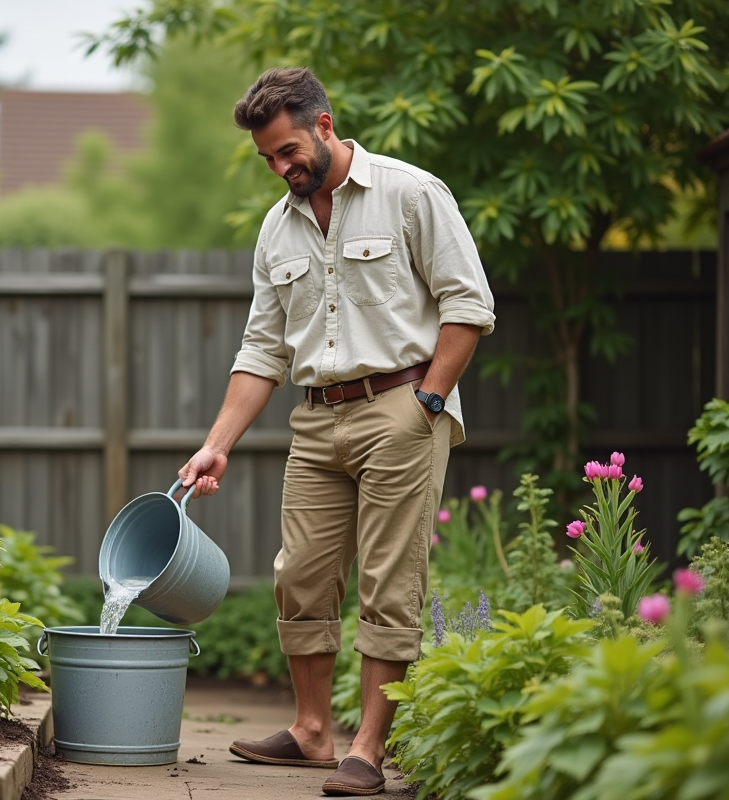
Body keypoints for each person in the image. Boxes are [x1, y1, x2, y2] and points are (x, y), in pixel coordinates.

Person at [177, 66, 495, 797]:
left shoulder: (411, 193)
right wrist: (216, 442)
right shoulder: (277, 225)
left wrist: (430, 401)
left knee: (390, 582)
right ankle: (313, 731)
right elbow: (263, 350)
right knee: (300, 575)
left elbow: (467, 305)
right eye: (267, 158)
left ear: (324, 126)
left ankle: (368, 748)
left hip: (400, 408)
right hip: (316, 418)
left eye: (288, 150)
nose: (280, 167)